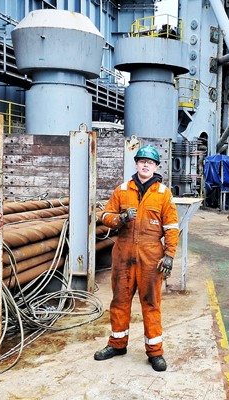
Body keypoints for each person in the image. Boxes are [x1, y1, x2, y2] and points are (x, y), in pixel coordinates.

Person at [94, 144, 179, 372]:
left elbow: (171, 227)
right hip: (123, 255)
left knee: (151, 304)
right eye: (142, 161)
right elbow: (105, 216)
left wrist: (169, 255)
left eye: (149, 162)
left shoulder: (163, 194)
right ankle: (117, 344)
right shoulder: (122, 190)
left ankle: (155, 352)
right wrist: (121, 218)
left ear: (155, 166)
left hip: (151, 257)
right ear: (136, 163)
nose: (145, 165)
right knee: (119, 301)